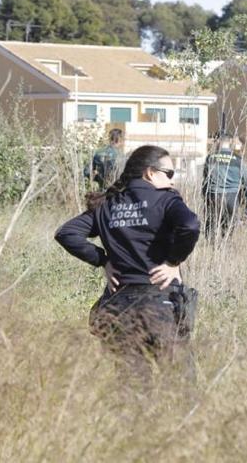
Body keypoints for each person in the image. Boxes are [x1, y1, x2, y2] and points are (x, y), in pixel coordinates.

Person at [56, 145, 200, 381]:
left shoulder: (106, 205)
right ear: (150, 172)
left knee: (131, 391)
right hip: (160, 304)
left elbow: (66, 233)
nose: (172, 181)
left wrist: (103, 260)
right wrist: (173, 261)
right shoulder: (166, 199)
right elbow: (190, 225)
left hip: (118, 308)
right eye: (169, 174)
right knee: (181, 388)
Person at [202, 134, 247, 238]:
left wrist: (205, 197)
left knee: (211, 228)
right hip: (232, 198)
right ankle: (225, 249)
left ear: (218, 142)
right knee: (227, 230)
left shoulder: (210, 158)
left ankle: (212, 250)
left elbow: (205, 181)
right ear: (230, 143)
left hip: (213, 196)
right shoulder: (238, 160)